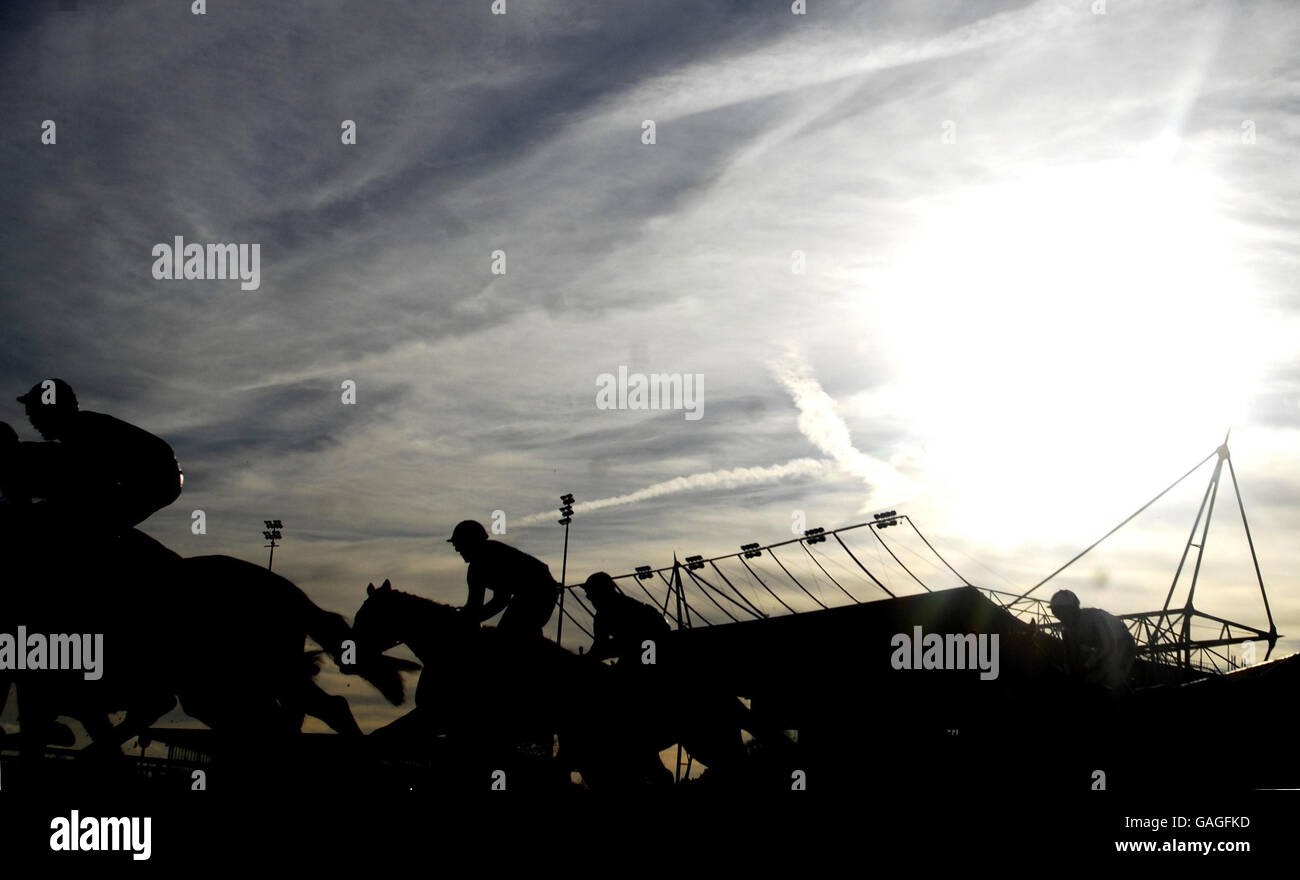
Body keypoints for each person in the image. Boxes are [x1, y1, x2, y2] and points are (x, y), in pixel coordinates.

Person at [15, 378, 182, 532]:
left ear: (51, 412)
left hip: (157, 479)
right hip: (158, 479)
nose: (33, 423)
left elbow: (90, 482)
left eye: (34, 414)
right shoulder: (80, 429)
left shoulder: (83, 431)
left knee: (86, 517)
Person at [447, 520, 560, 639]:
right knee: (511, 631)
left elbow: (499, 600)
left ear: (471, 541)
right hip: (531, 593)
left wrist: (466, 619)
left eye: (459, 544)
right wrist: (465, 616)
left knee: (508, 633)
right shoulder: (476, 569)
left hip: (541, 590)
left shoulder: (490, 555)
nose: (457, 550)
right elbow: (475, 605)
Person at [1050, 589, 1136, 693]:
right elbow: (1070, 658)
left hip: (1124, 644)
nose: (1058, 616)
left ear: (1073, 609)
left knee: (1113, 678)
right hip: (1103, 648)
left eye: (1060, 612)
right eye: (1055, 612)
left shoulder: (1094, 617)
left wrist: (1089, 665)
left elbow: (1109, 647)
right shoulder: (1067, 631)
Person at [581, 572, 670, 664]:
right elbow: (600, 645)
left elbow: (600, 646)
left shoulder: (619, 609)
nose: (589, 597)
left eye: (591, 593)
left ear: (602, 592)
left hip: (651, 648)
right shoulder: (605, 613)